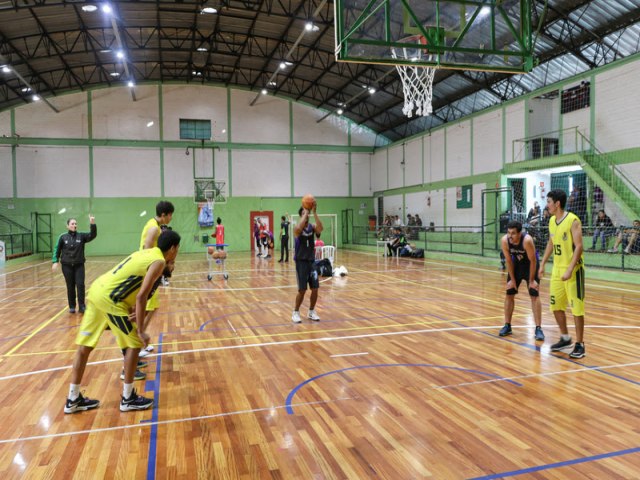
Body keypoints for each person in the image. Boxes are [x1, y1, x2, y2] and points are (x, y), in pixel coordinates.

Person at [63, 230, 181, 414]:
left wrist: (132, 308)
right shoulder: (159, 261)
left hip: (97, 291)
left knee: (84, 347)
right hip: (111, 299)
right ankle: (128, 398)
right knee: (134, 344)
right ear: (173, 248)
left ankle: (73, 398)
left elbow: (128, 280)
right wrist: (141, 330)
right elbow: (142, 296)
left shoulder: (146, 253)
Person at [538, 189, 586, 359]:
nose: (547, 205)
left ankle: (580, 344)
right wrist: (542, 263)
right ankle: (565, 338)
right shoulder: (552, 221)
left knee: (577, 308)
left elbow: (579, 246)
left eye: (549, 201)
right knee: (556, 306)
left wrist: (570, 269)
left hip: (573, 270)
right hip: (557, 270)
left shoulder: (573, 220)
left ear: (557, 203)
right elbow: (552, 242)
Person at [498, 221, 544, 341]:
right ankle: (507, 325)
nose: (510, 236)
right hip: (516, 265)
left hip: (530, 265)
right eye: (508, 233)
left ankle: (538, 328)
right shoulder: (504, 241)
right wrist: (512, 281)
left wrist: (532, 281)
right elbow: (508, 261)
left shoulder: (527, 240)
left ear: (519, 233)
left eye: (513, 233)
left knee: (534, 294)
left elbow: (533, 261)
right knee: (509, 293)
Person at [52, 215, 97, 313]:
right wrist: (55, 261)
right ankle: (72, 306)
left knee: (80, 285)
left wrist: (92, 223)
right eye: (72, 224)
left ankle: (82, 306)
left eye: (75, 224)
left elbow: (92, 235)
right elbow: (57, 249)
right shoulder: (63, 237)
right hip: (66, 266)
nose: (74, 225)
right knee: (70, 285)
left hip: (79, 265)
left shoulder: (81, 236)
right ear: (67, 226)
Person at [292, 203, 323, 323]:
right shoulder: (297, 228)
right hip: (301, 262)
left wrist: (314, 212)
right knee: (302, 290)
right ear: (301, 215)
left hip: (311, 261)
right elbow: (298, 229)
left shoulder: (312, 226)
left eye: (307, 213)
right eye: (304, 213)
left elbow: (320, 229)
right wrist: (304, 213)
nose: (307, 215)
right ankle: (295, 312)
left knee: (315, 288)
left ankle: (311, 311)